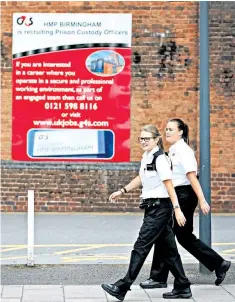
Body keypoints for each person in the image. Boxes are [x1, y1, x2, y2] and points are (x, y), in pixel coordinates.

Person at [101, 124, 192, 301]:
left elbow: (169, 185)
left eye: (147, 138)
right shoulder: (147, 156)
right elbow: (142, 177)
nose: (143, 141)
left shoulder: (160, 159)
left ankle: (122, 286)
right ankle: (182, 286)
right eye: (141, 139)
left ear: (156, 139)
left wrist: (177, 209)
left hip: (160, 209)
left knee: (140, 247)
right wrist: (123, 191)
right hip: (153, 208)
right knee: (169, 250)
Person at [140, 118, 231, 291]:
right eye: (165, 129)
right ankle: (219, 263)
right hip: (179, 195)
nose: (167, 132)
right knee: (184, 237)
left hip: (183, 195)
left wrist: (202, 200)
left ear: (181, 131)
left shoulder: (184, 151)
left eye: (171, 129)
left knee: (164, 234)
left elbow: (191, 177)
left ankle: (159, 278)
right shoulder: (173, 150)